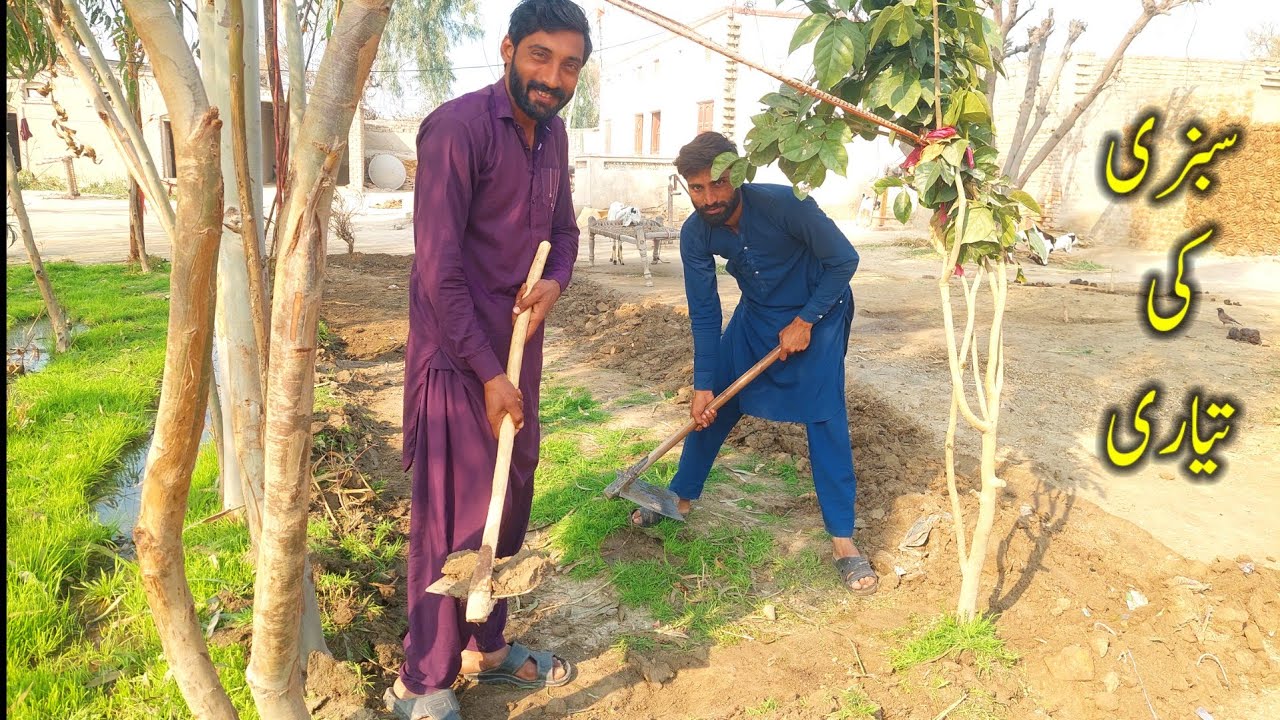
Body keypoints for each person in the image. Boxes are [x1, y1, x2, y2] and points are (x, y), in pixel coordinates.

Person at [388, 2, 590, 718]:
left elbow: (564, 233)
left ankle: (487, 646)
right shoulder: (458, 129)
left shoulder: (554, 135)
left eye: (569, 65)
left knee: (509, 502)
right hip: (456, 356)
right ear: (508, 50)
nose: (553, 76)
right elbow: (438, 270)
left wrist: (555, 283)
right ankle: (423, 679)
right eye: (540, 56)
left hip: (514, 353)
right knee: (452, 518)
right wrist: (489, 373)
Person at [631, 131, 878, 596]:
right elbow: (704, 311)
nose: (710, 198)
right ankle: (680, 500)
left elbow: (844, 260)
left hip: (818, 316)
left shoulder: (788, 206)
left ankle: (843, 541)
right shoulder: (695, 233)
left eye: (718, 184)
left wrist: (806, 319)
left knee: (824, 416)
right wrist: (703, 383)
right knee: (714, 406)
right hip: (757, 318)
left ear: (739, 174)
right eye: (697, 189)